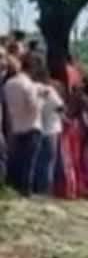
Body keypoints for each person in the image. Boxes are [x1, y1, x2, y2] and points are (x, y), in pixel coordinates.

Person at [3, 55, 45, 195]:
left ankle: (14, 186)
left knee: (17, 160)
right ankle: (26, 190)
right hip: (31, 126)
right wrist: (42, 99)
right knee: (29, 162)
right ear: (31, 69)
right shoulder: (29, 85)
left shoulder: (8, 84)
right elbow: (33, 107)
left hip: (15, 126)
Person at [32, 69, 65, 195]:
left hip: (37, 128)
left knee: (38, 161)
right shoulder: (49, 90)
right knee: (49, 162)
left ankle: (36, 188)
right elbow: (60, 107)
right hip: (51, 129)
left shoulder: (32, 89)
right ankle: (45, 191)